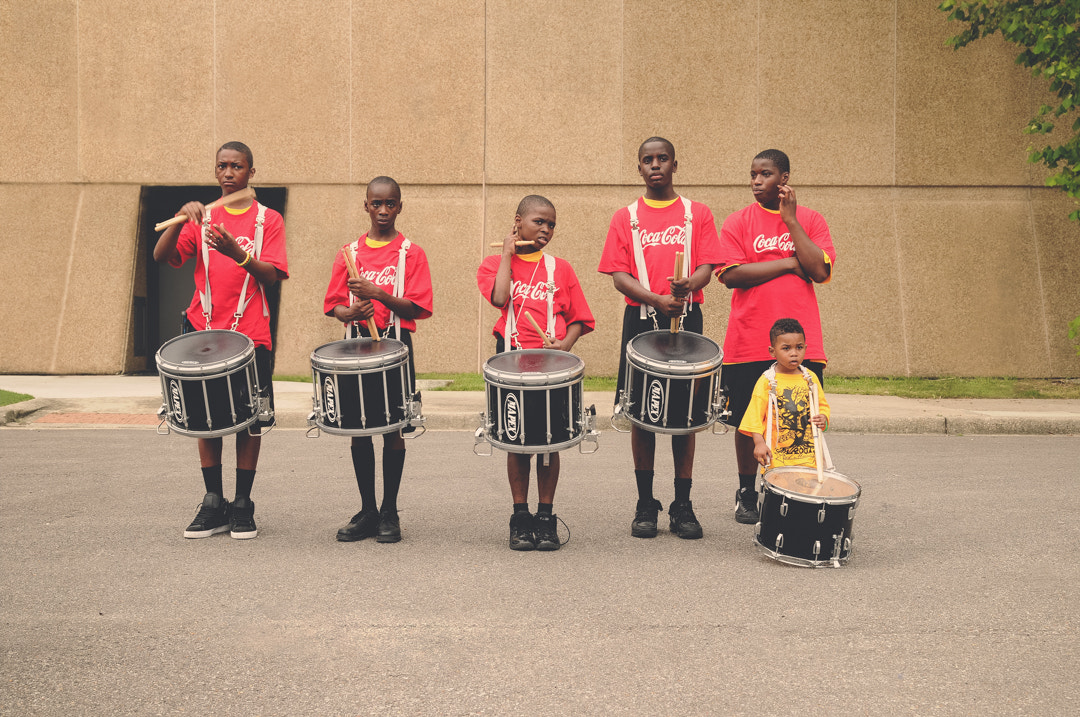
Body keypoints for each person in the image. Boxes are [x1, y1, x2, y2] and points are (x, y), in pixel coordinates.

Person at [153, 141, 289, 540]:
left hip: (251, 333)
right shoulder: (201, 218)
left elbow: (273, 275)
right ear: (216, 172)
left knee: (250, 420)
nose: (229, 173)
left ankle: (243, 503)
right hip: (204, 332)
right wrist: (180, 218)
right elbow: (163, 256)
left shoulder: (268, 220)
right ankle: (213, 501)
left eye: (237, 166)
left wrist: (237, 253)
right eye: (222, 166)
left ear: (250, 172)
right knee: (204, 418)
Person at [597, 137, 722, 539]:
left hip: (687, 321)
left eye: (662, 158)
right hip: (642, 321)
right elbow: (619, 275)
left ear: (674, 164)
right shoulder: (626, 217)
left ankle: (682, 503)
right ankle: (645, 502)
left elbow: (706, 265)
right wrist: (654, 298)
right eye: (647, 160)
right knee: (643, 413)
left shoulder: (695, 213)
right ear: (638, 168)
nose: (655, 165)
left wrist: (687, 287)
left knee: (685, 414)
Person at [716, 149, 835, 524]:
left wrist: (791, 221)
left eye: (765, 174)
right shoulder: (737, 222)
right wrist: (787, 263)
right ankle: (746, 492)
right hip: (749, 338)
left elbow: (819, 270)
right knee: (746, 420)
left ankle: (792, 488)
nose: (755, 181)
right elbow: (731, 274)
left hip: (801, 341)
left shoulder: (811, 220)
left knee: (797, 417)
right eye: (752, 174)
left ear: (784, 179)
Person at [476, 195, 595, 551]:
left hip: (552, 365)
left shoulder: (561, 269)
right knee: (517, 439)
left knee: (549, 440)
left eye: (551, 224)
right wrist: (508, 256)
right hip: (511, 363)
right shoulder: (494, 263)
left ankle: (545, 516)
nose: (545, 229)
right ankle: (519, 516)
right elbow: (499, 299)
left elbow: (579, 319)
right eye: (538, 222)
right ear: (518, 222)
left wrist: (565, 346)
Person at [323, 176, 433, 543]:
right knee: (358, 428)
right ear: (366, 205)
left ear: (400, 206)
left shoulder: (411, 253)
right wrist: (350, 312)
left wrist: (379, 294)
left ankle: (390, 510)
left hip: (395, 348)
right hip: (356, 349)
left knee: (393, 427)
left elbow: (417, 306)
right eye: (376, 204)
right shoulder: (348, 253)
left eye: (390, 204)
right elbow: (334, 307)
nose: (383, 210)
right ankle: (367, 509)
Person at [738, 318, 830, 471]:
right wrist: (759, 442)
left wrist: (824, 418)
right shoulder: (767, 381)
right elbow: (754, 416)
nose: (794, 353)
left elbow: (822, 406)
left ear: (806, 348)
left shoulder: (810, 378)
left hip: (810, 460)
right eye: (786, 348)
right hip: (778, 461)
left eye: (799, 347)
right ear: (772, 351)